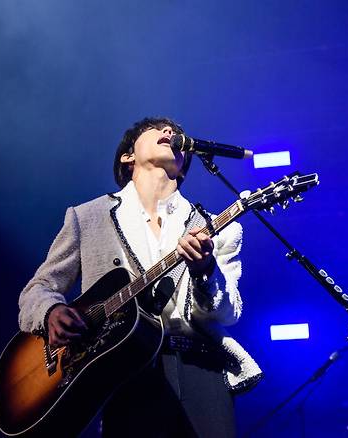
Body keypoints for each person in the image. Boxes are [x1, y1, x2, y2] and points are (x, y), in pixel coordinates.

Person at [17, 117, 262, 437]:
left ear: (184, 163)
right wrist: (50, 311)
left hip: (202, 367)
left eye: (175, 133)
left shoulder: (218, 227)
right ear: (127, 156)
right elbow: (40, 287)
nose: (169, 133)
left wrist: (205, 271)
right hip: (125, 371)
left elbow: (229, 313)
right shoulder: (87, 217)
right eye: (157, 130)